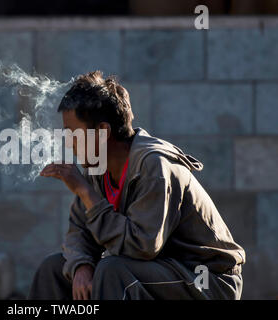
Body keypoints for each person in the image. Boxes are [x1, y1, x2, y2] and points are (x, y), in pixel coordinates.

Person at [27, 71, 245, 300]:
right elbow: (78, 232)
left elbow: (142, 248)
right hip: (159, 271)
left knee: (113, 271)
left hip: (207, 280)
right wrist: (81, 266)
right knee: (53, 269)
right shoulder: (96, 169)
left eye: (74, 134)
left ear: (102, 132)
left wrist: (85, 191)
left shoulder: (154, 168)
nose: (69, 143)